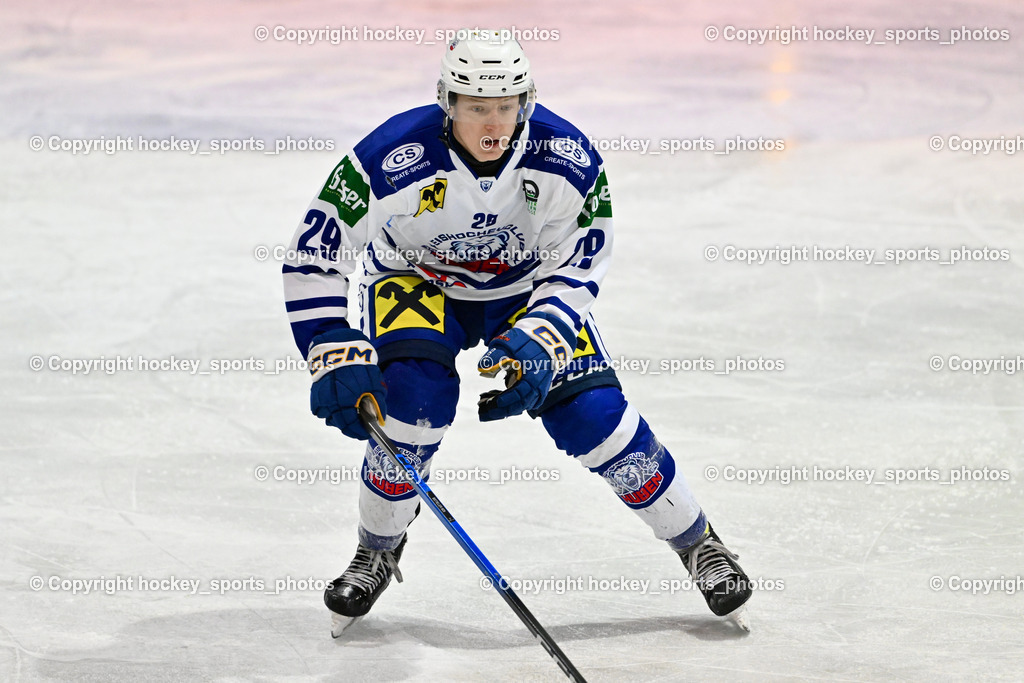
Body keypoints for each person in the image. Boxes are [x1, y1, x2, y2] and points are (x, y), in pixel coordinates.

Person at [282, 29, 752, 634]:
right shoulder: (391, 154)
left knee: (593, 415)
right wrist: (329, 345)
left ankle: (697, 542)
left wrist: (542, 334)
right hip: (414, 280)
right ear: (447, 103)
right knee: (412, 410)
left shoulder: (567, 158)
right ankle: (377, 546)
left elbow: (579, 262)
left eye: (506, 105)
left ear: (525, 102)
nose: (493, 123)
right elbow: (315, 252)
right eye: (477, 107)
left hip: (523, 290)